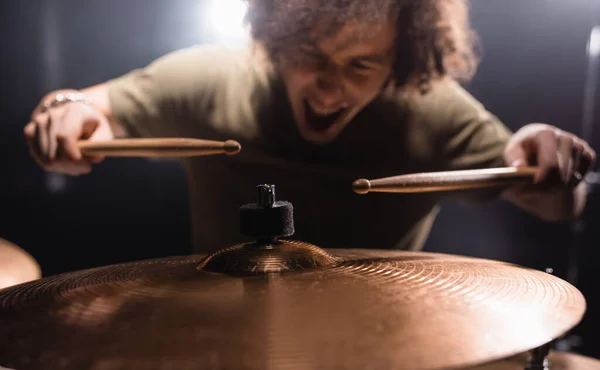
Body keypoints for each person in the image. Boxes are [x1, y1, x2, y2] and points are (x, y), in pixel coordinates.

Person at [23, 0, 595, 256]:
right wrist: (67, 111)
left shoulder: (434, 110)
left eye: (359, 66)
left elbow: (554, 204)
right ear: (273, 36)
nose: (327, 87)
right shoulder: (215, 76)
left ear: (401, 60)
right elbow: (89, 106)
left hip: (375, 355)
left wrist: (545, 160)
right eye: (310, 55)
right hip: (223, 344)